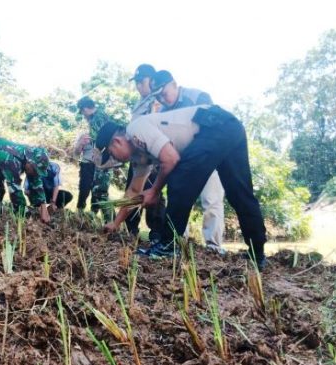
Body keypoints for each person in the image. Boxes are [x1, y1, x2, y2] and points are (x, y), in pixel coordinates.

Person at [95, 105, 268, 269]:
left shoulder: (135, 130)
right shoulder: (139, 156)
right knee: (239, 192)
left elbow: (170, 159)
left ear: (117, 142)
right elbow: (134, 191)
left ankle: (168, 247)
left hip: (213, 125)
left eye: (111, 154)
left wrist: (155, 191)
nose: (115, 160)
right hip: (230, 126)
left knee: (179, 178)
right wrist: (116, 223)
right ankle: (257, 253)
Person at [149, 70, 226, 253]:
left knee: (211, 200)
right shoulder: (164, 112)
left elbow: (211, 130)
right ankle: (176, 241)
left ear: (174, 84)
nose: (162, 99)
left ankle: (214, 246)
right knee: (178, 201)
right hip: (182, 162)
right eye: (158, 96)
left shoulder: (198, 97)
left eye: (164, 93)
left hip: (208, 158)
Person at [125, 64, 167, 241]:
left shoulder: (157, 100)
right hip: (138, 156)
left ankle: (157, 233)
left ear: (152, 80)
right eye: (137, 83)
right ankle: (131, 231)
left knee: (153, 193)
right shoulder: (139, 102)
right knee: (132, 191)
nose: (139, 86)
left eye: (142, 82)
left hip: (153, 156)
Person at [72, 96, 114, 221]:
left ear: (85, 109)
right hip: (102, 160)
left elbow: (101, 143)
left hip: (103, 161)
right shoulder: (102, 115)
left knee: (100, 192)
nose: (83, 116)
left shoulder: (96, 118)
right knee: (96, 190)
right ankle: (100, 217)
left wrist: (97, 159)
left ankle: (110, 221)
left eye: (82, 112)